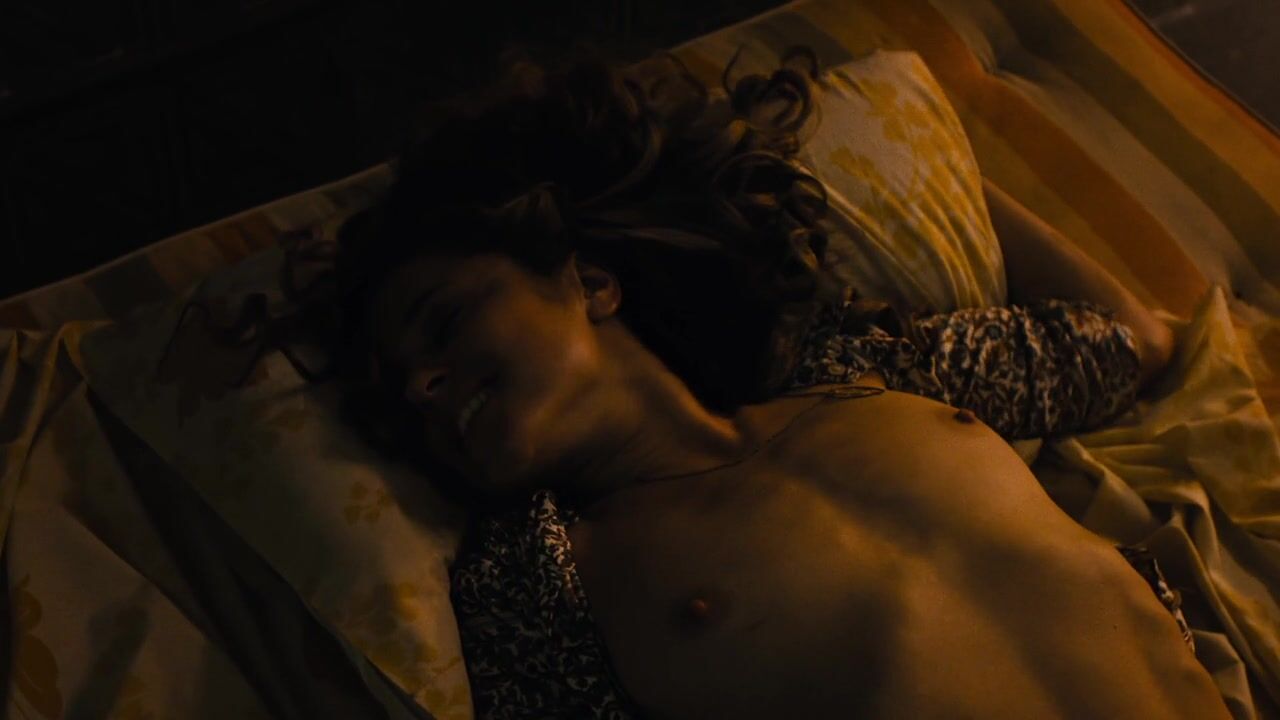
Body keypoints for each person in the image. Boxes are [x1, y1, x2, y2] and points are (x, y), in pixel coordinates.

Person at [201, 44, 1224, 718]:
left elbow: (1127, 341)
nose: (424, 384)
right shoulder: (540, 571)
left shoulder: (855, 373)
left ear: (589, 283)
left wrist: (945, 142)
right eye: (401, 393)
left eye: (443, 323)